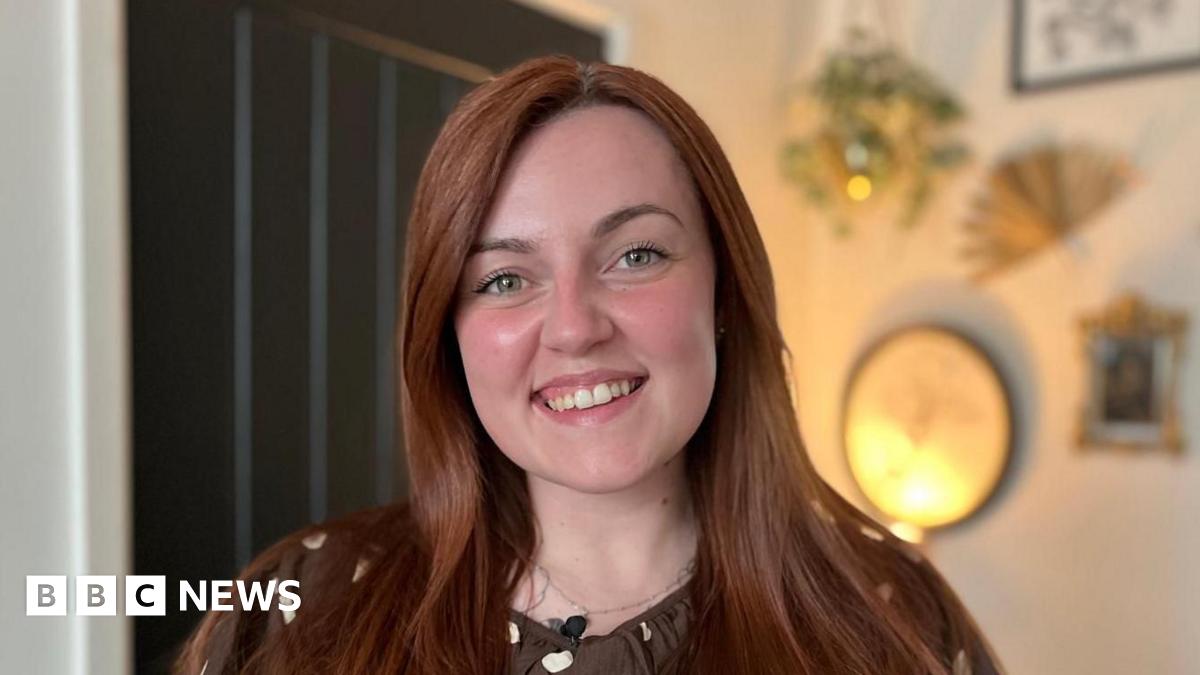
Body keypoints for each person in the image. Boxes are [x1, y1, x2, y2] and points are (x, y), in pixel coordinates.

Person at [175, 54, 1003, 675]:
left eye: (636, 254)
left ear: (722, 290)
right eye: (504, 278)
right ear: (446, 333)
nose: (573, 327)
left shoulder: (892, 620)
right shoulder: (298, 613)